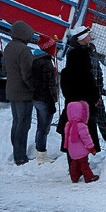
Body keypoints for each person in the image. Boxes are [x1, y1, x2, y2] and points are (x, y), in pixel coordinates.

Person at [66, 25, 106, 143]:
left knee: (100, 108)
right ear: (82, 38)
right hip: (83, 88)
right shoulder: (74, 52)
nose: (90, 37)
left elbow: (97, 66)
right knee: (86, 112)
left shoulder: (91, 47)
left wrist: (99, 82)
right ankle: (81, 134)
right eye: (88, 35)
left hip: (95, 86)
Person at [57, 32, 102, 165]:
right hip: (85, 109)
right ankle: (83, 164)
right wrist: (95, 98)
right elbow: (92, 89)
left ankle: (73, 165)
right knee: (85, 134)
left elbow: (65, 91)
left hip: (71, 108)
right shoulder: (86, 74)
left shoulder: (65, 73)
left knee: (71, 135)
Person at [2, 20, 36, 166]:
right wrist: (34, 88)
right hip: (23, 93)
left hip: (11, 90)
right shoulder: (24, 50)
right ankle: (20, 157)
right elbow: (27, 74)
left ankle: (17, 152)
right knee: (23, 124)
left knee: (16, 123)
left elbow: (4, 70)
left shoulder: (8, 47)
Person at [30, 35, 60, 164]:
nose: (56, 50)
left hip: (36, 97)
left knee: (40, 127)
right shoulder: (46, 63)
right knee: (44, 128)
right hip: (45, 99)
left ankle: (40, 154)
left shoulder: (36, 59)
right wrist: (53, 101)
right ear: (49, 49)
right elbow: (50, 85)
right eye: (54, 48)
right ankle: (41, 156)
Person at [62, 100, 99, 183]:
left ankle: (74, 177)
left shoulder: (68, 124)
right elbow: (86, 138)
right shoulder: (81, 125)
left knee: (74, 163)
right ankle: (89, 177)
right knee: (84, 163)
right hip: (81, 150)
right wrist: (91, 147)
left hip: (72, 150)